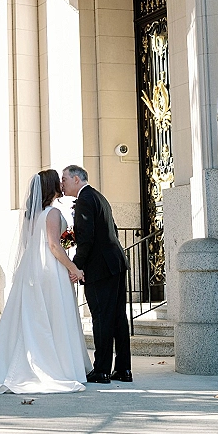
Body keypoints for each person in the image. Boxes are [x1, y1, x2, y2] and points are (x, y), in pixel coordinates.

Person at [0, 169, 91, 394]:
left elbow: (34, 244)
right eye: (58, 180)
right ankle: (57, 366)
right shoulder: (50, 213)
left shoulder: (31, 215)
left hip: (33, 270)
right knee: (54, 316)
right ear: (51, 186)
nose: (62, 182)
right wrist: (74, 269)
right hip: (50, 271)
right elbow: (52, 246)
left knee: (34, 317)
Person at [61, 164, 132, 384]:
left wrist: (76, 267)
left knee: (101, 318)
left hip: (100, 268)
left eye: (64, 179)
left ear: (76, 179)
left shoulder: (85, 200)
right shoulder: (98, 196)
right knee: (118, 318)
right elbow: (112, 229)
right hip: (116, 263)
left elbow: (87, 239)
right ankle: (123, 369)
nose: (61, 184)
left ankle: (101, 370)